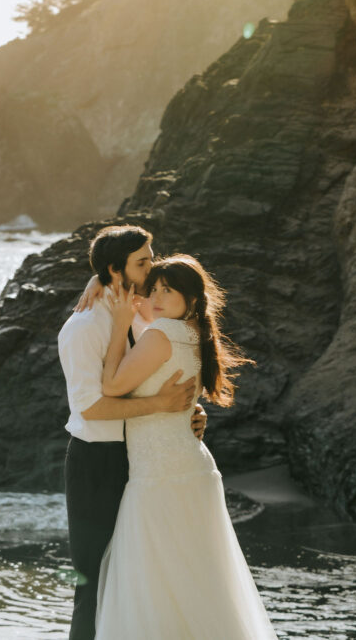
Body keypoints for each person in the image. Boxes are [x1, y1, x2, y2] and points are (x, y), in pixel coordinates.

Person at [94, 254, 276, 639]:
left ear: (190, 298)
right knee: (199, 582)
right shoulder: (195, 334)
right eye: (154, 288)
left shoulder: (160, 334)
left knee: (156, 583)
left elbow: (111, 387)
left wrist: (120, 328)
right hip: (188, 468)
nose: (156, 297)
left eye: (168, 290)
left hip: (161, 474)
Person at [57, 225, 207, 640]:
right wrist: (160, 406)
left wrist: (187, 413)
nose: (153, 267)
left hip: (146, 462)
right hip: (99, 462)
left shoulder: (146, 314)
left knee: (144, 580)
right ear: (115, 268)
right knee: (93, 583)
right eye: (143, 262)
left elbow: (162, 368)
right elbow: (91, 407)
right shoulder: (85, 327)